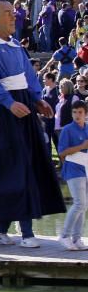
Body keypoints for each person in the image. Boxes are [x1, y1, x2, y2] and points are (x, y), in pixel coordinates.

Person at [0, 0, 66, 248]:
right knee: (14, 165)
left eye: (14, 12)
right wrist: (9, 103)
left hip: (22, 104)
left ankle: (4, 229)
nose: (13, 17)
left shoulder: (15, 45)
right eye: (7, 13)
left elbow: (30, 77)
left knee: (28, 162)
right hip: (4, 111)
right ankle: (26, 233)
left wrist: (38, 100)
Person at [57, 99, 88, 250]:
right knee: (79, 203)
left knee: (83, 205)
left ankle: (77, 239)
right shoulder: (67, 129)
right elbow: (62, 153)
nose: (77, 115)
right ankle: (64, 235)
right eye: (74, 112)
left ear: (85, 114)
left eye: (80, 112)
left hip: (86, 169)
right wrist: (82, 146)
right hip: (73, 169)